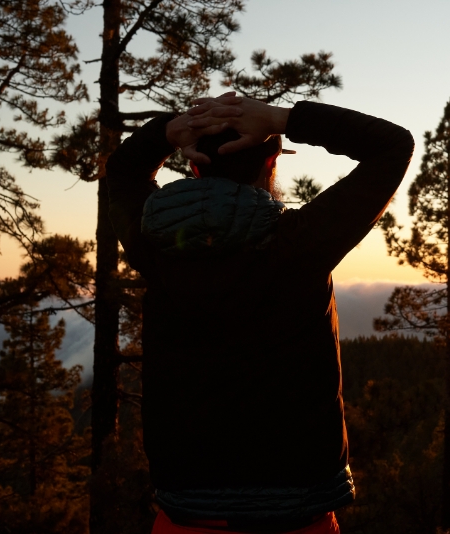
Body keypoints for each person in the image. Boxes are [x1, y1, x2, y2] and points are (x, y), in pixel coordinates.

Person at [106, 93, 414, 534]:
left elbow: (122, 170)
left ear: (194, 165)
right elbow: (392, 145)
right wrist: (284, 118)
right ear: (271, 163)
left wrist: (168, 130)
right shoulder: (299, 245)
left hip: (186, 512)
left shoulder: (154, 247)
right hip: (297, 513)